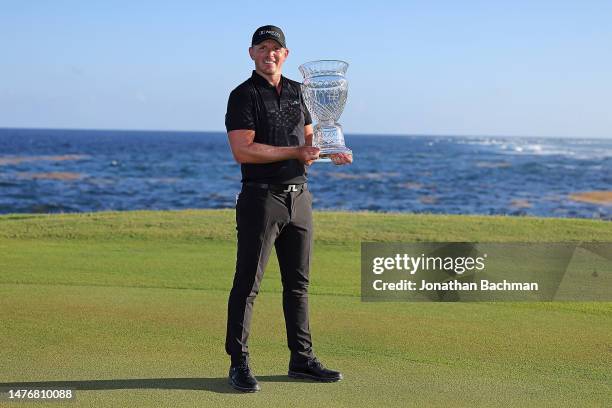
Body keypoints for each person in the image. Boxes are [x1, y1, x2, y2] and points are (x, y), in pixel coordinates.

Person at [224, 25, 352, 392]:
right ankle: (239, 363)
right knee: (248, 284)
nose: (270, 54)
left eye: (275, 48)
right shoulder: (242, 96)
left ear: (286, 54)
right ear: (251, 53)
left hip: (300, 196)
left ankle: (302, 359)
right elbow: (243, 149)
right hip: (260, 198)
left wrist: (331, 152)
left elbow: (311, 140)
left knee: (298, 285)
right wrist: (296, 152)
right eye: (262, 48)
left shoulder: (302, 92)